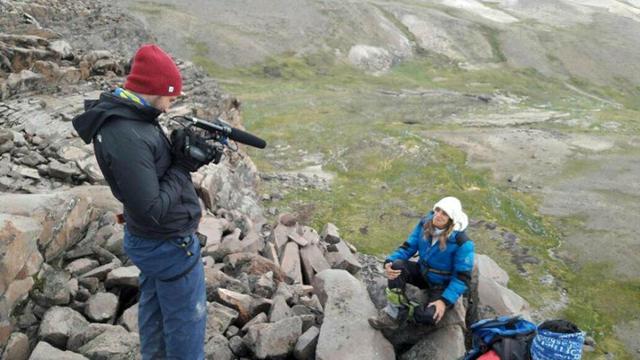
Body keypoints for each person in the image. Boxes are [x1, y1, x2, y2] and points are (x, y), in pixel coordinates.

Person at [72, 44, 211, 359]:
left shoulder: (129, 116)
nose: (171, 104)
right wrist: (183, 165)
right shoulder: (128, 133)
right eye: (171, 96)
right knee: (186, 322)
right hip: (168, 243)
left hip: (148, 241)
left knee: (155, 308)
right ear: (155, 89)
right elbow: (151, 210)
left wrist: (172, 150)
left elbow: (146, 176)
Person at [369, 196, 475, 330]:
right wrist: (389, 262)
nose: (438, 215)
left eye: (444, 213)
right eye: (437, 210)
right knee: (396, 266)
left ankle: (408, 311)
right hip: (422, 272)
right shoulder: (425, 223)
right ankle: (393, 314)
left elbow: (462, 278)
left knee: (429, 317)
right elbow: (409, 246)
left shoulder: (462, 243)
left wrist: (444, 301)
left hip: (442, 285)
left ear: (452, 218)